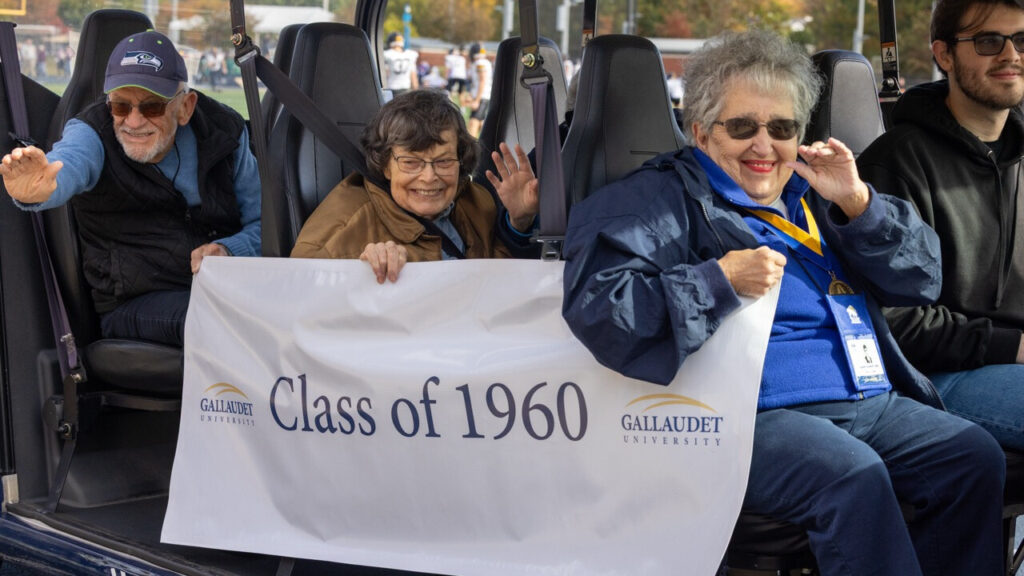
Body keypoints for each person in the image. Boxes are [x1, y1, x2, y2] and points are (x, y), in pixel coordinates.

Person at [561, 30, 1004, 576]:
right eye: (742, 127)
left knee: (972, 456)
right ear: (700, 132)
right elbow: (602, 312)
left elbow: (922, 280)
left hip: (868, 399)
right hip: (746, 415)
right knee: (854, 477)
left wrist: (859, 204)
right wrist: (716, 282)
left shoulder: (818, 192)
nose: (763, 146)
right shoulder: (652, 203)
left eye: (783, 128)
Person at [0, 30, 261, 347]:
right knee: (229, 320)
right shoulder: (91, 132)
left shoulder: (225, 130)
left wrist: (229, 250)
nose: (133, 122)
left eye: (151, 107)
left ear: (185, 106)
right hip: (134, 302)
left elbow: (265, 225)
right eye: (121, 106)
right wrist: (39, 191)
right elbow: (69, 162)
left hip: (225, 288)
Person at [857, 0, 1024, 451]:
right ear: (944, 55)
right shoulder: (894, 162)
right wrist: (1014, 346)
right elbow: (894, 322)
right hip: (934, 375)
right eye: (990, 41)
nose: (1011, 55)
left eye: (1022, 40)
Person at [291, 89, 538, 283]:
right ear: (385, 164)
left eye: (443, 161)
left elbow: (501, 283)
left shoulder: (477, 202)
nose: (429, 177)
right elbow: (301, 304)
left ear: (460, 160)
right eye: (411, 162)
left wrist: (519, 223)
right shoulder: (338, 233)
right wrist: (364, 271)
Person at [466, 43, 492, 138]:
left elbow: (482, 81)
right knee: (481, 123)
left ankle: (472, 149)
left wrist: (476, 100)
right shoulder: (481, 62)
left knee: (473, 123)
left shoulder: (480, 63)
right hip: (482, 96)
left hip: (482, 97)